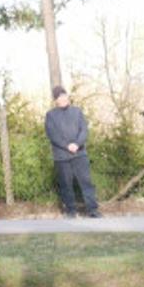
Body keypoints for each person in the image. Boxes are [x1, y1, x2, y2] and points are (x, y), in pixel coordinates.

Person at [45, 85, 101, 217]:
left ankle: (92, 210)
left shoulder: (77, 111)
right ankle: (70, 211)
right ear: (55, 100)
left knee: (86, 183)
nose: (63, 98)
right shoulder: (50, 115)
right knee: (66, 185)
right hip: (61, 157)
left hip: (80, 154)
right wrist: (66, 146)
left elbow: (84, 130)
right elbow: (52, 135)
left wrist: (77, 143)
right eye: (60, 97)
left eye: (65, 95)